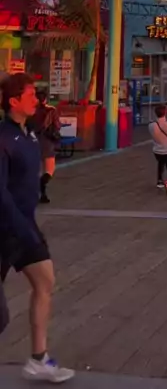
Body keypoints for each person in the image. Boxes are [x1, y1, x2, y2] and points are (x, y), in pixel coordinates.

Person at [0, 72, 74, 382]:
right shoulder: (3, 138)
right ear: (13, 101)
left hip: (24, 227)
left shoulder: (29, 133)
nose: (37, 99)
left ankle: (38, 359)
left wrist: (27, 227)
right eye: (30, 95)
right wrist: (21, 226)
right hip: (5, 229)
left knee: (45, 280)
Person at [29, 89, 62, 205]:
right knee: (49, 170)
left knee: (35, 169)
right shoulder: (51, 110)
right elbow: (57, 125)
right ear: (45, 99)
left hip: (32, 141)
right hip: (46, 141)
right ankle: (42, 188)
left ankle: (38, 192)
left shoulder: (31, 111)